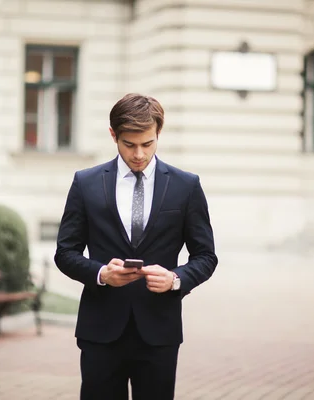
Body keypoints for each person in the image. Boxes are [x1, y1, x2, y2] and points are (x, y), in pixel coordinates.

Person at [54, 93, 218, 400]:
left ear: (159, 134)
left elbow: (206, 256)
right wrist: (102, 273)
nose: (139, 154)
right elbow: (65, 253)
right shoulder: (86, 183)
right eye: (129, 144)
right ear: (113, 135)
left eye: (148, 143)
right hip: (100, 330)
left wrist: (176, 279)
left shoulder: (186, 186)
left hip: (159, 331)